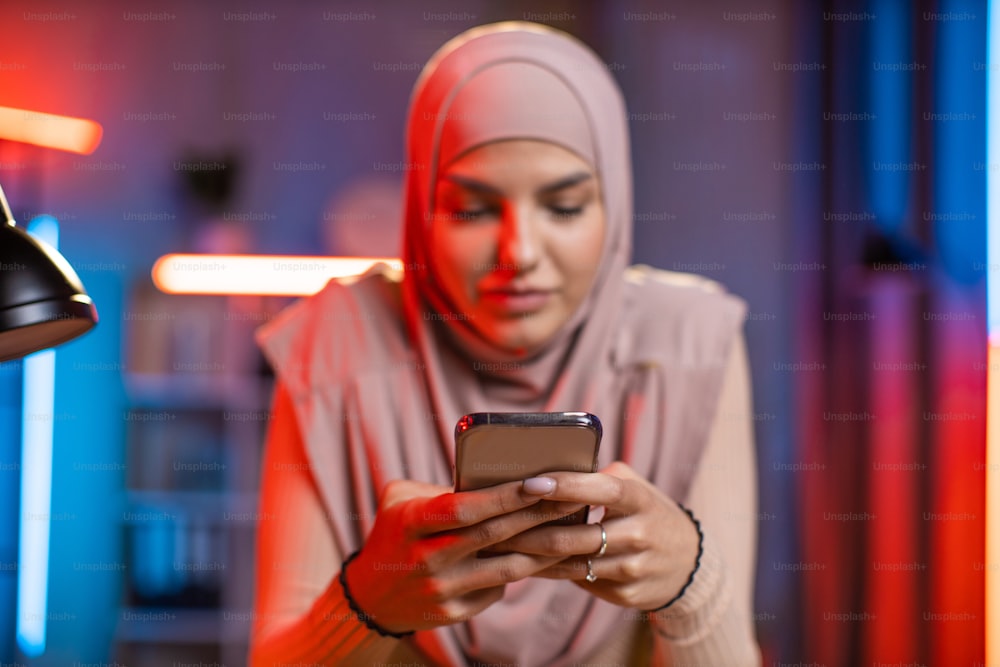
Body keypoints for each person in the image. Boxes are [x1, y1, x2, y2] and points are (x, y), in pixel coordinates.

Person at [249, 21, 761, 666]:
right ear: (419, 211)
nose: (518, 254)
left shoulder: (692, 340)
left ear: (616, 207)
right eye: (472, 209)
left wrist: (690, 583)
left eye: (566, 207)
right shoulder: (333, 342)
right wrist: (368, 603)